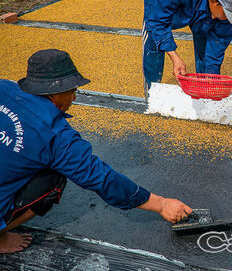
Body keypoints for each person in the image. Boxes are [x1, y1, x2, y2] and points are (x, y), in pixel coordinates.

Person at [0, 49, 192, 254]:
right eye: (71, 89)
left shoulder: (3, 87)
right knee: (54, 179)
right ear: (53, 92)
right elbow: (102, 179)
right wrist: (162, 205)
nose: (74, 96)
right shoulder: (56, 136)